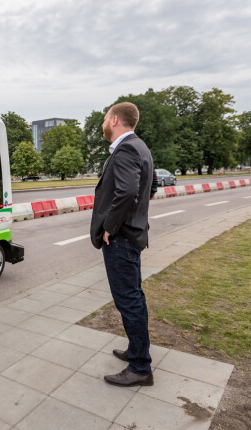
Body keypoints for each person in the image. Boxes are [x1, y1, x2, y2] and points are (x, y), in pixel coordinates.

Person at [90, 102, 158, 387]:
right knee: (134, 297)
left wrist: (110, 226)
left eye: (105, 118)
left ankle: (140, 368)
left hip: (121, 239)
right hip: (133, 235)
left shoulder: (126, 148)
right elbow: (151, 186)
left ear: (115, 119)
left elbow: (129, 191)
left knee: (128, 301)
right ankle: (136, 351)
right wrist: (137, 211)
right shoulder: (140, 146)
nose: (103, 123)